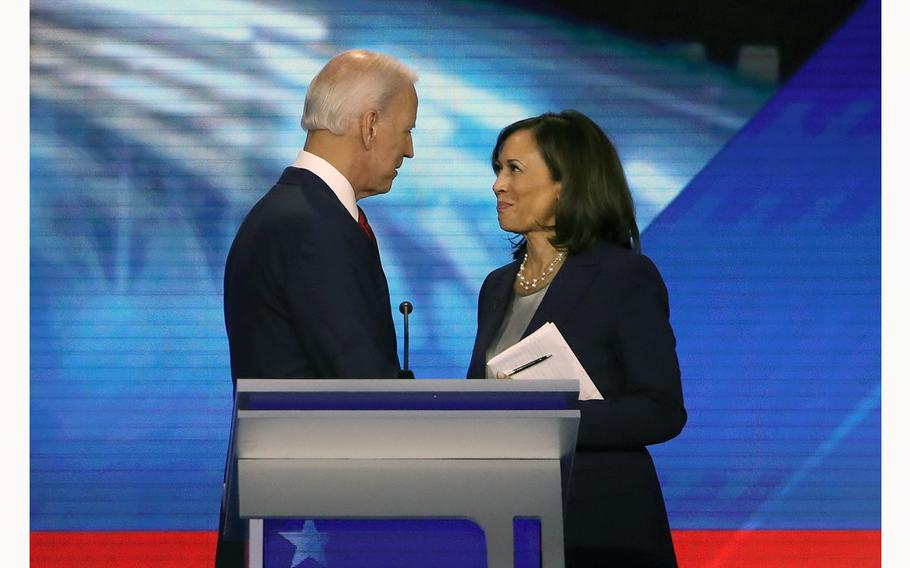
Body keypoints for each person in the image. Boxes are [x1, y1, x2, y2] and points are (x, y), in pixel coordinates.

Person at [215, 49, 418, 567]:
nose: (410, 150)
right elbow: (361, 383)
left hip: (288, 500)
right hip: (306, 516)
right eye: (407, 129)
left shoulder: (296, 211)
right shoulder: (311, 225)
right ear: (370, 125)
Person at [466, 110, 686, 567]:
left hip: (600, 530)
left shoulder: (623, 276)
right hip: (509, 525)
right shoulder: (495, 286)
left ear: (565, 184)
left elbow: (661, 410)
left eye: (514, 169)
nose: (498, 185)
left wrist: (547, 418)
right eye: (497, 170)